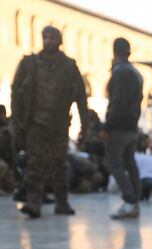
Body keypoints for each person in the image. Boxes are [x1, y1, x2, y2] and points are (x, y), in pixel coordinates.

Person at [10, 25, 88, 218]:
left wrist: (84, 125)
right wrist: (17, 118)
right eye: (45, 37)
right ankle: (33, 202)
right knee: (34, 162)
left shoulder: (69, 66)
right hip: (35, 122)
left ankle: (62, 202)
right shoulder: (30, 64)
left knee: (60, 163)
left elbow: (81, 97)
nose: (48, 41)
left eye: (52, 37)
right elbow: (16, 92)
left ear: (59, 41)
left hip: (59, 123)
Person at [101, 38, 144, 220]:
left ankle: (129, 200)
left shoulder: (120, 72)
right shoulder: (135, 72)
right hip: (132, 125)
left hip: (119, 126)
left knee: (113, 163)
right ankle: (135, 201)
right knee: (129, 161)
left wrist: (107, 126)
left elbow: (117, 101)